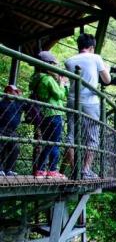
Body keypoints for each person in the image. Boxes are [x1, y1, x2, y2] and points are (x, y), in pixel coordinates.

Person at [65, 33, 112, 179]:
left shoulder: (69, 61)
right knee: (92, 137)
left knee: (71, 135)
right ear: (91, 47)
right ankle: (85, 170)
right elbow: (107, 80)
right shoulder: (96, 58)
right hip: (90, 102)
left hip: (72, 100)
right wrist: (107, 68)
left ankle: (74, 170)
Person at [32, 51, 68, 179]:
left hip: (43, 114)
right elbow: (59, 95)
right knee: (53, 143)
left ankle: (45, 170)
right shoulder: (47, 79)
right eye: (53, 64)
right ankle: (48, 170)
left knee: (49, 142)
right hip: (54, 113)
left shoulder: (36, 78)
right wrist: (63, 84)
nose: (55, 67)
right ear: (48, 65)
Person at [0, 82, 24, 176]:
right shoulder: (2, 103)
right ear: (8, 92)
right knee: (0, 148)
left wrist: (20, 96)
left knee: (15, 148)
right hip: (1, 128)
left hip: (12, 130)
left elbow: (27, 105)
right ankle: (0, 169)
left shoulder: (18, 103)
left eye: (15, 92)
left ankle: (8, 169)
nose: (15, 93)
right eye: (13, 91)